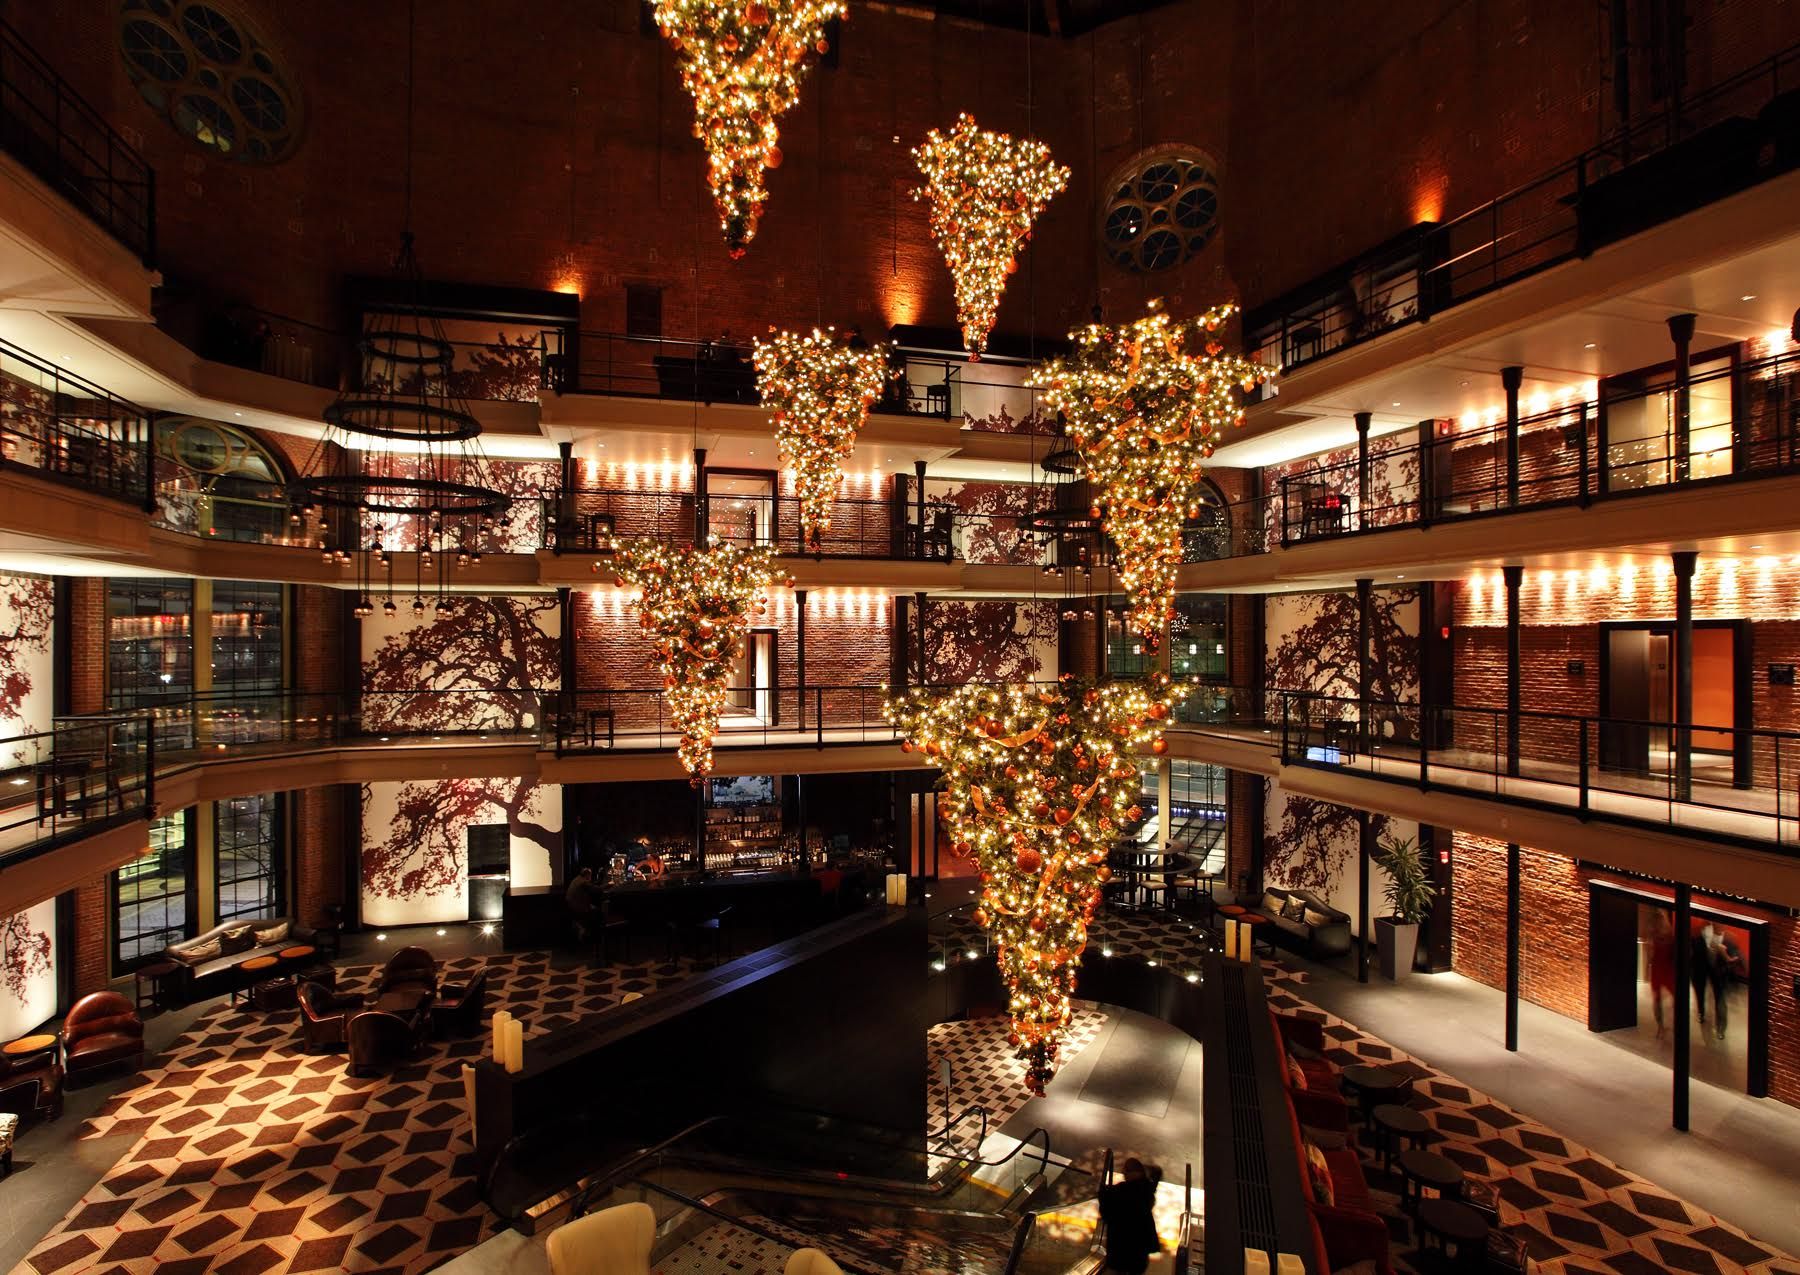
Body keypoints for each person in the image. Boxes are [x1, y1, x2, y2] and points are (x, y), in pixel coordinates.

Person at [1097, 1158, 1161, 1274]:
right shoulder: (1147, 1189)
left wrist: (1102, 1193)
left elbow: (1107, 1212)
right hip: (1140, 1249)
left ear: (1135, 1173)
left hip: (1121, 1247)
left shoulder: (1121, 1191)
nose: (1124, 1174)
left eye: (1126, 1171)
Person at [1648, 911, 1675, 1042]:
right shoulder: (1667, 936)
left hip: (1662, 969)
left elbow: (1651, 955)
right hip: (1663, 969)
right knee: (1660, 999)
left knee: (1659, 999)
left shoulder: (1658, 935)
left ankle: (1662, 1027)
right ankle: (1664, 1026)